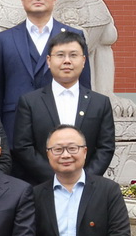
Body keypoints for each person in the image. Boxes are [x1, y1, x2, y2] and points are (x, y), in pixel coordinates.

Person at [0, 0, 89, 139]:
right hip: (14, 128)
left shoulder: (74, 36)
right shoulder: (4, 39)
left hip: (61, 129)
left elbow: (84, 87)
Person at [13, 31, 114, 185]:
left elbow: (105, 147)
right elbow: (23, 147)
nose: (67, 61)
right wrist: (56, 180)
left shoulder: (100, 103)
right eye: (60, 55)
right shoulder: (30, 102)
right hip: (42, 188)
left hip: (88, 188)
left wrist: (83, 180)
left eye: (73, 55)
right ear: (49, 60)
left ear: (83, 60)